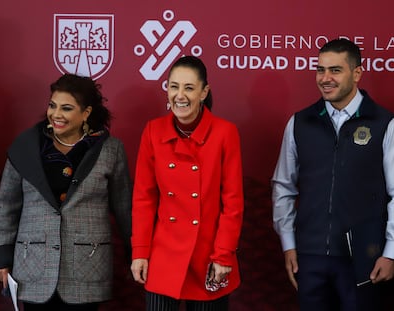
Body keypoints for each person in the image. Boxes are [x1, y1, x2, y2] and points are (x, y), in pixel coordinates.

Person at [0, 73, 132, 310]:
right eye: (52, 105)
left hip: (87, 269)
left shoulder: (110, 150)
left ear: (86, 113)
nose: (56, 114)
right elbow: (6, 205)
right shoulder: (26, 146)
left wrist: (136, 254)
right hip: (32, 267)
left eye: (66, 108)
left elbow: (124, 208)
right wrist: (2, 257)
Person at [272, 38, 394, 311]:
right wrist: (289, 245)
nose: (325, 78)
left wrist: (391, 252)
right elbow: (283, 187)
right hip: (310, 257)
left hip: (365, 258)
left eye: (335, 70)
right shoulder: (300, 122)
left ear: (357, 73)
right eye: (320, 70)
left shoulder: (385, 123)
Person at [130, 55, 244, 311]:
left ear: (204, 92)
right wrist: (140, 251)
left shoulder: (225, 133)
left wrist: (224, 253)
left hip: (208, 255)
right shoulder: (153, 131)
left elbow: (233, 202)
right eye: (173, 86)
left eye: (189, 88)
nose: (179, 95)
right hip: (163, 255)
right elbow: (143, 199)